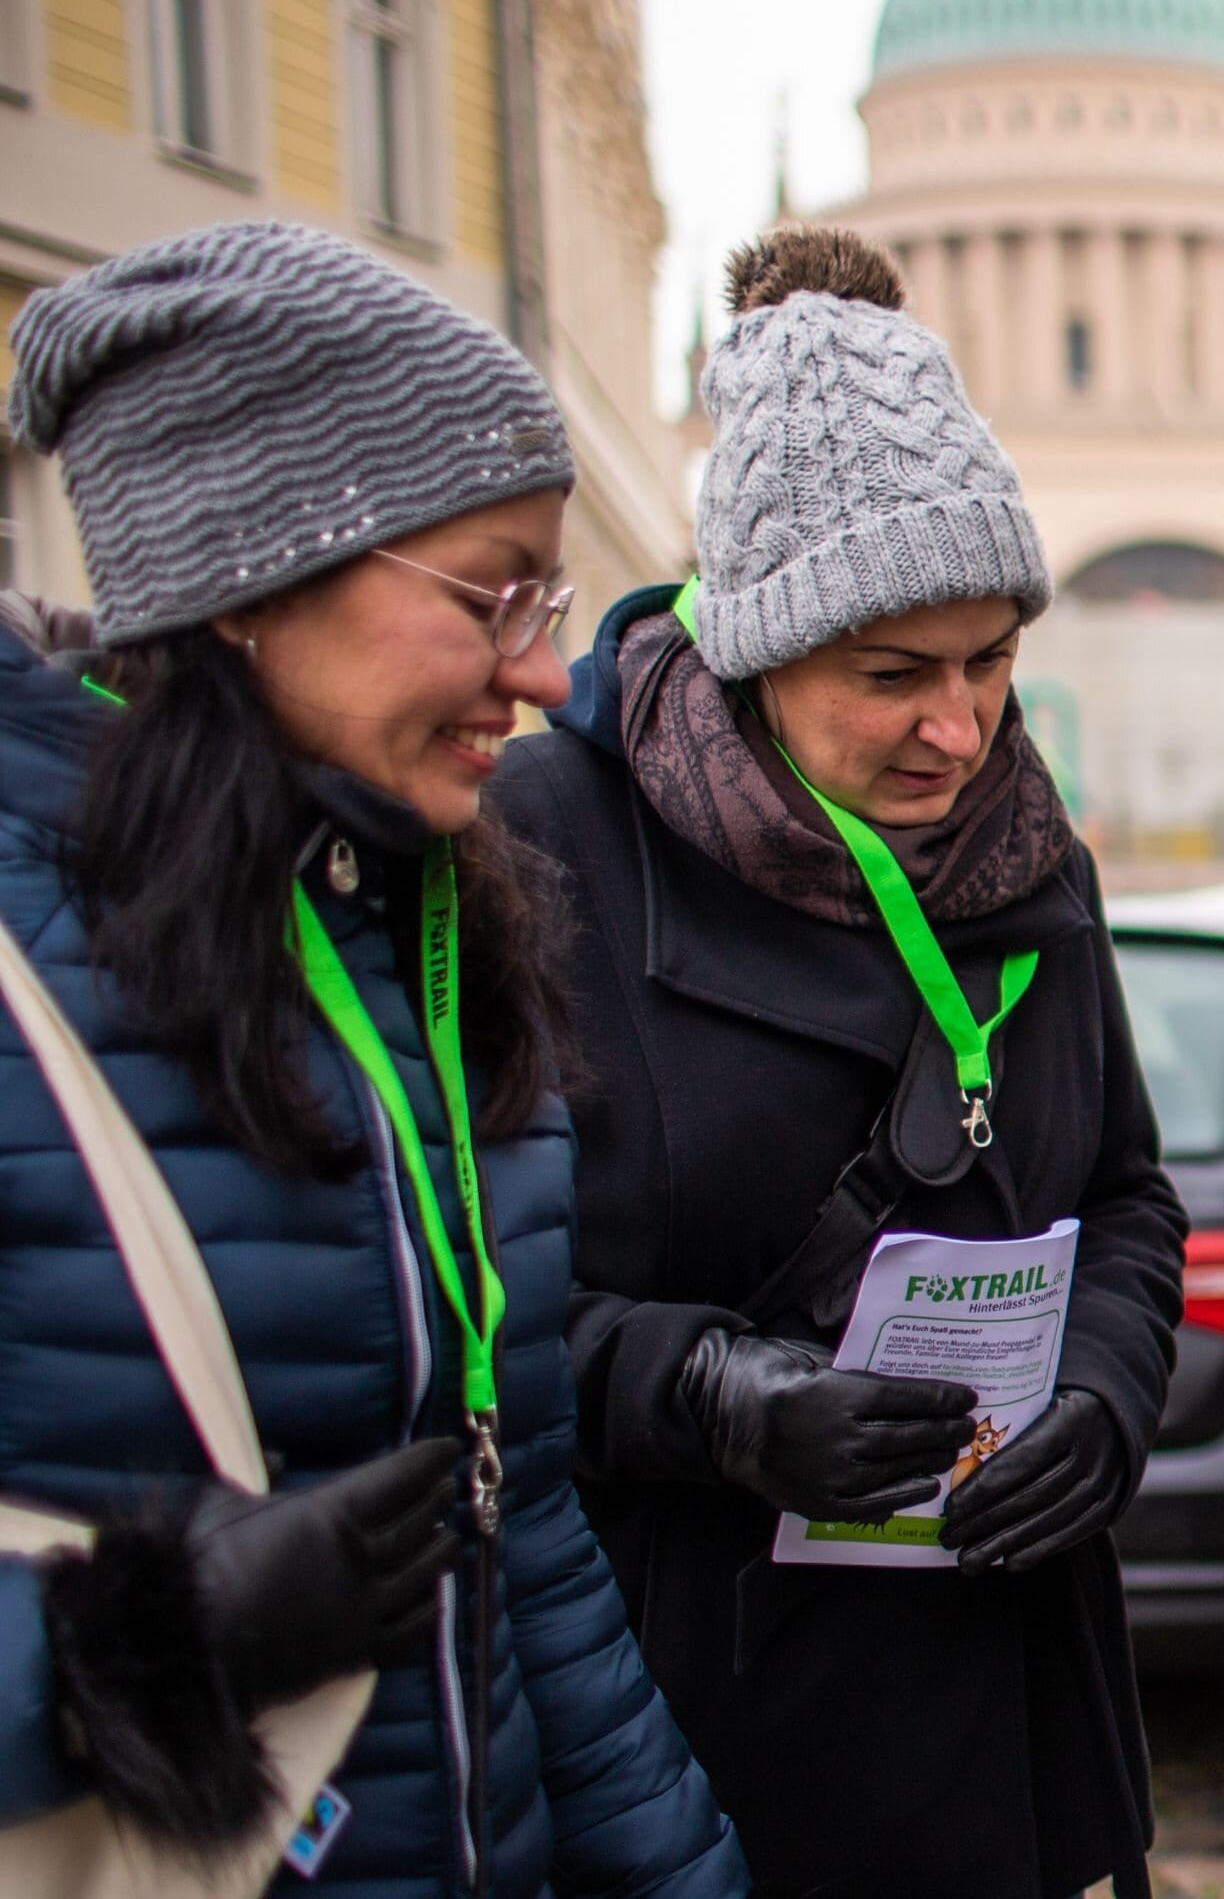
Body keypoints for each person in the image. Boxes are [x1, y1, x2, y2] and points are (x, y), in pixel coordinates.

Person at [0, 222, 745, 1895]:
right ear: (247, 579)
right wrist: (136, 1647)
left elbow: (527, 1544)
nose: (547, 672)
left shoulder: (432, 944)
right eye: (492, 594)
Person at [491, 227, 1185, 1899]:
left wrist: (1103, 1397)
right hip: (708, 1735)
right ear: (756, 651)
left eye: (992, 661)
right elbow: (461, 1311)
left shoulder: (1035, 854)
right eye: (893, 677)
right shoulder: (545, 848)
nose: (960, 729)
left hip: (1016, 1712)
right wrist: (723, 1401)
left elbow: (1128, 1203)